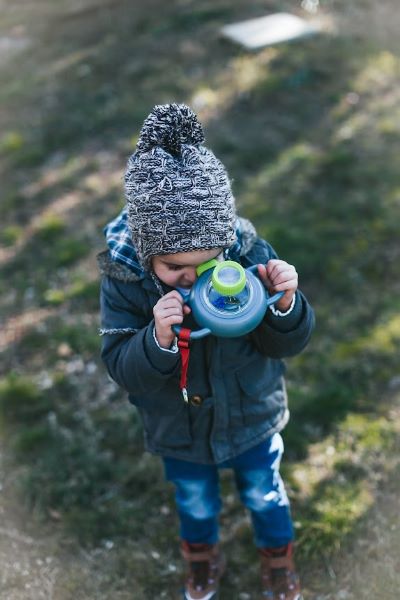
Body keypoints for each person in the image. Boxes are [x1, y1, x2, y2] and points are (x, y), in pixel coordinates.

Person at [99, 103, 315, 600]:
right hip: (180, 429)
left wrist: (284, 303)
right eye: (175, 267)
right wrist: (155, 337)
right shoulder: (127, 281)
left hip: (250, 413)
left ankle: (277, 561)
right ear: (147, 251)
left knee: (265, 492)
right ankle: (201, 559)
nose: (194, 278)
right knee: (195, 500)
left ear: (227, 248)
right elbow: (120, 366)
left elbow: (290, 342)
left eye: (208, 262)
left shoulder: (250, 260)